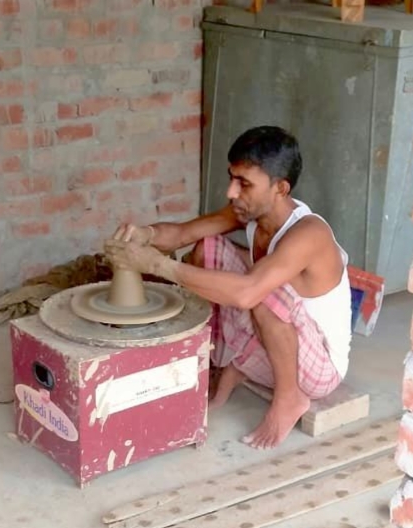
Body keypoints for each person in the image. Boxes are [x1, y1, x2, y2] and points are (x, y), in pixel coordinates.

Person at [105, 126, 352, 449]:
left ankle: (289, 398)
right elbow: (182, 235)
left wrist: (157, 265)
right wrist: (145, 235)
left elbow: (248, 293)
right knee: (207, 248)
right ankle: (224, 365)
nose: (232, 192)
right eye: (232, 178)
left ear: (280, 188)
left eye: (244, 184)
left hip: (318, 369)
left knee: (260, 291)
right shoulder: (251, 211)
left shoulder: (309, 233)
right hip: (275, 341)